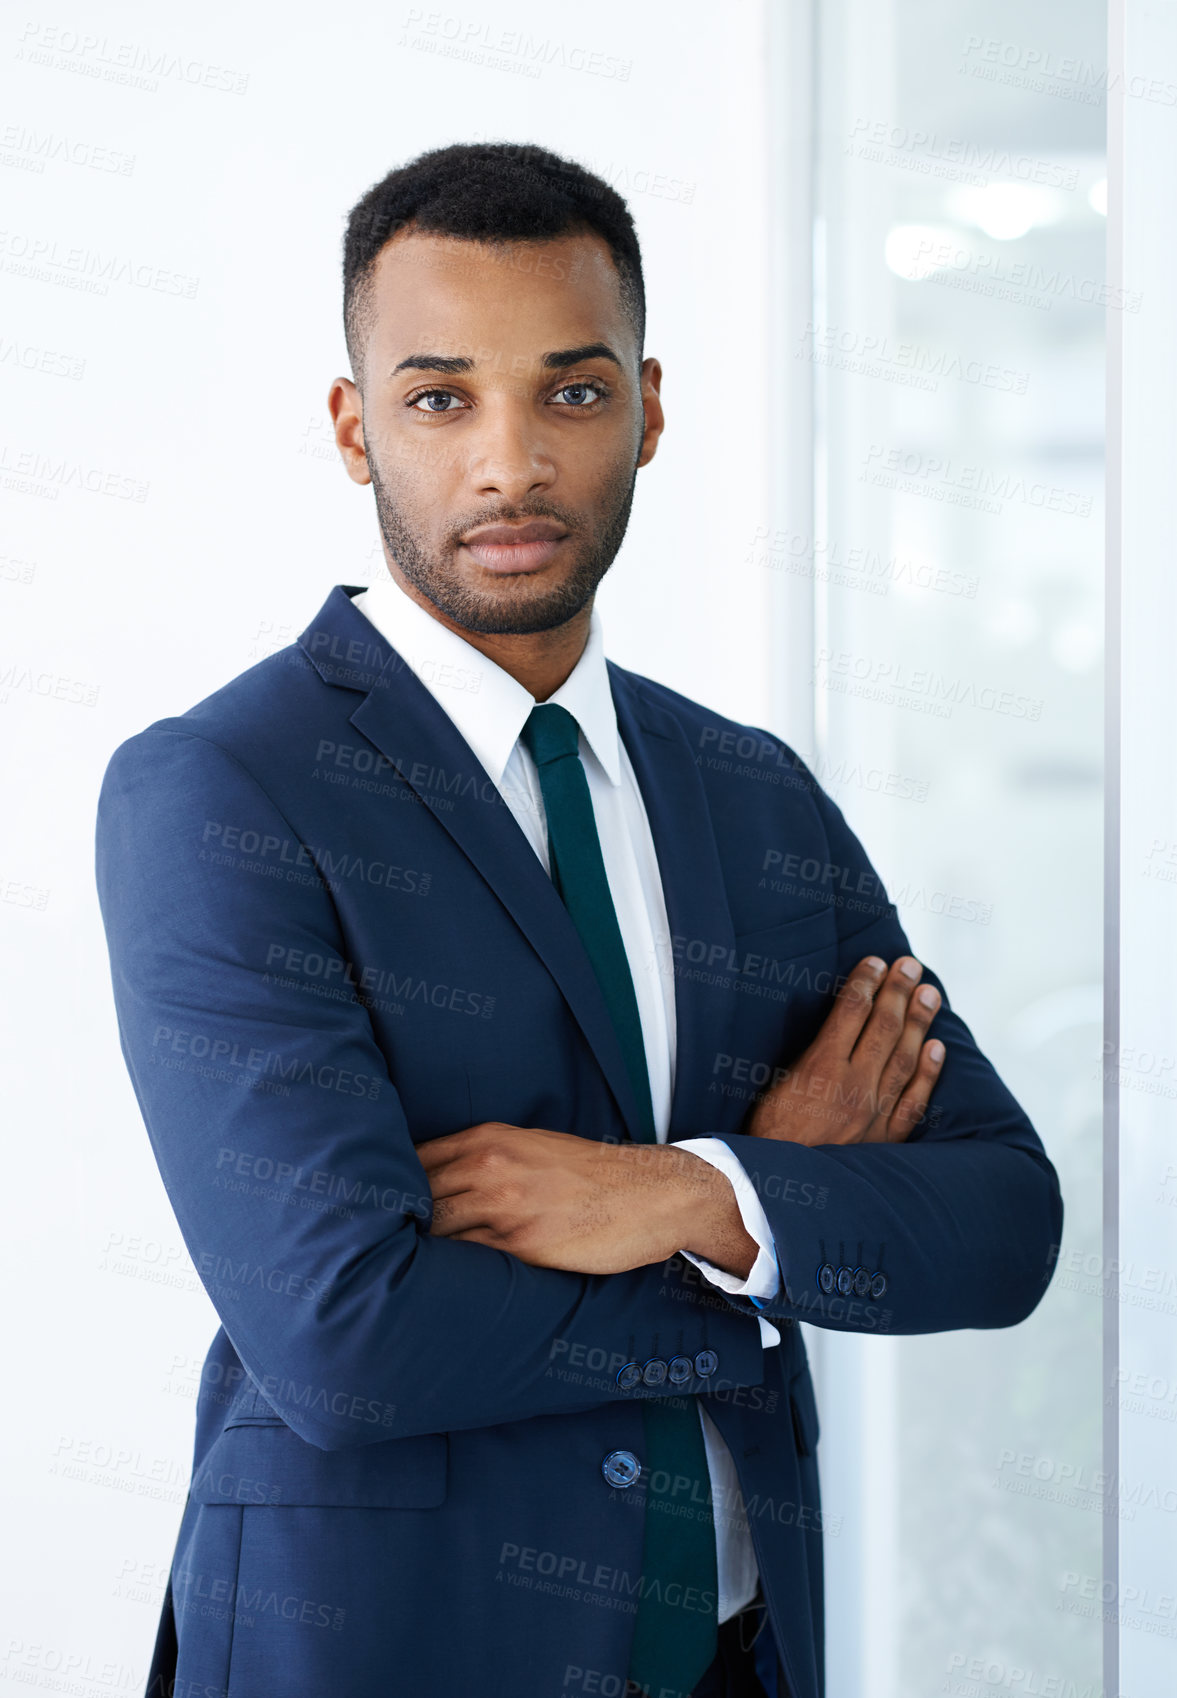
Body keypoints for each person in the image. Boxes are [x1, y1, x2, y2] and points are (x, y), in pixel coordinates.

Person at [94, 142, 1063, 1698]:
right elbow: (346, 1338)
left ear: (648, 406)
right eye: (437, 398)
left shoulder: (749, 794)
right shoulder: (221, 790)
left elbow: (1003, 1223)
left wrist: (681, 1189)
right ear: (354, 429)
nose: (509, 465)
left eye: (570, 390)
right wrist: (758, 1226)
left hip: (742, 1657)